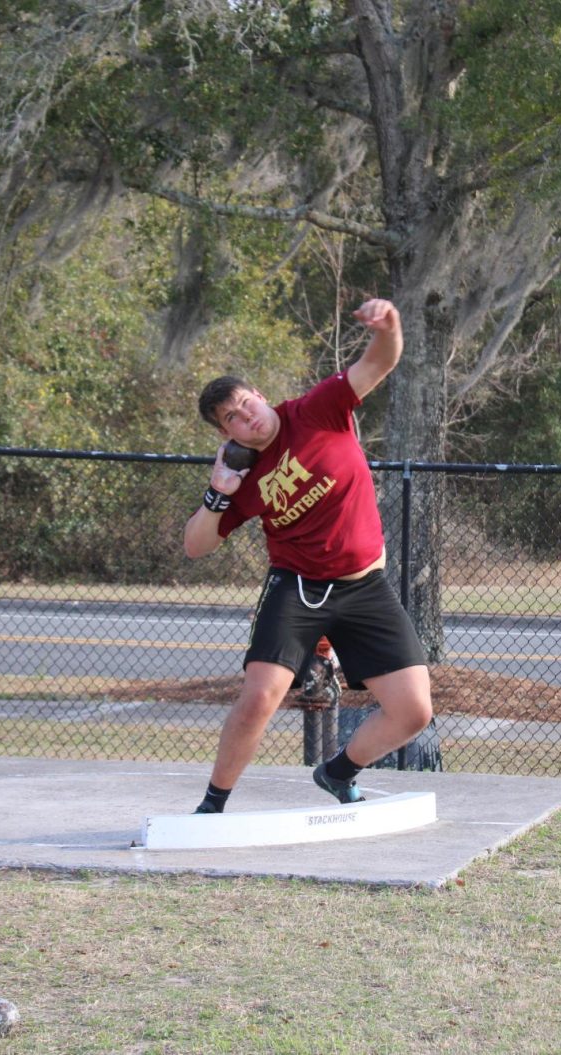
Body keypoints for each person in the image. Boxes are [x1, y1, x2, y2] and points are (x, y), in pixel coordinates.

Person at [184, 296, 432, 813]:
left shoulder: (318, 410)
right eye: (231, 418)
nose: (245, 416)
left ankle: (339, 772)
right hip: (298, 589)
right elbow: (196, 545)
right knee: (258, 699)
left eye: (244, 403)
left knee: (413, 712)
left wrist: (388, 325)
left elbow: (380, 361)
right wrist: (218, 492)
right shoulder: (244, 478)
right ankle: (212, 806)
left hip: (364, 585)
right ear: (226, 434)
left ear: (259, 395)